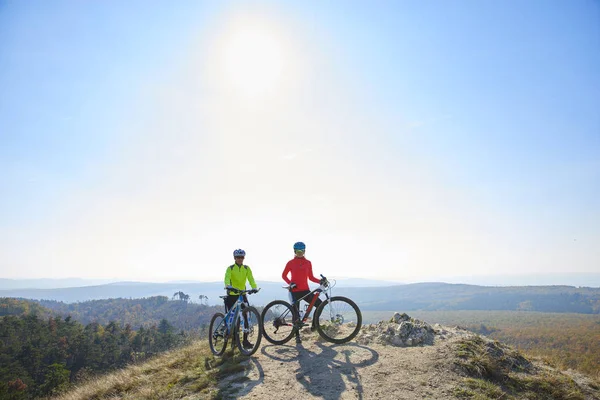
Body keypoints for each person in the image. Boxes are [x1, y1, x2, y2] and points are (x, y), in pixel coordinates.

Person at [281, 241, 324, 343]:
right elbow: (284, 275)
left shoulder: (308, 263)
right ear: (294, 251)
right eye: (298, 251)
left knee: (320, 304)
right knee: (296, 314)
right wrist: (290, 283)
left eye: (302, 251)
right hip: (294, 291)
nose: (300, 253)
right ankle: (297, 336)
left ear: (304, 251)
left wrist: (320, 281)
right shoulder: (290, 263)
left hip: (305, 291)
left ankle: (314, 325)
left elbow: (311, 277)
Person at [223, 248, 258, 348]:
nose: (240, 259)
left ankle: (245, 341)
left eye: (242, 257)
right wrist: (227, 285)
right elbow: (227, 278)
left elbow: (251, 278)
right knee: (232, 318)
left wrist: (254, 287)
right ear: (234, 258)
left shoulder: (246, 268)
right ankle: (234, 339)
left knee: (246, 316)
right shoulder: (230, 268)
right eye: (238, 257)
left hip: (242, 295)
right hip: (232, 295)